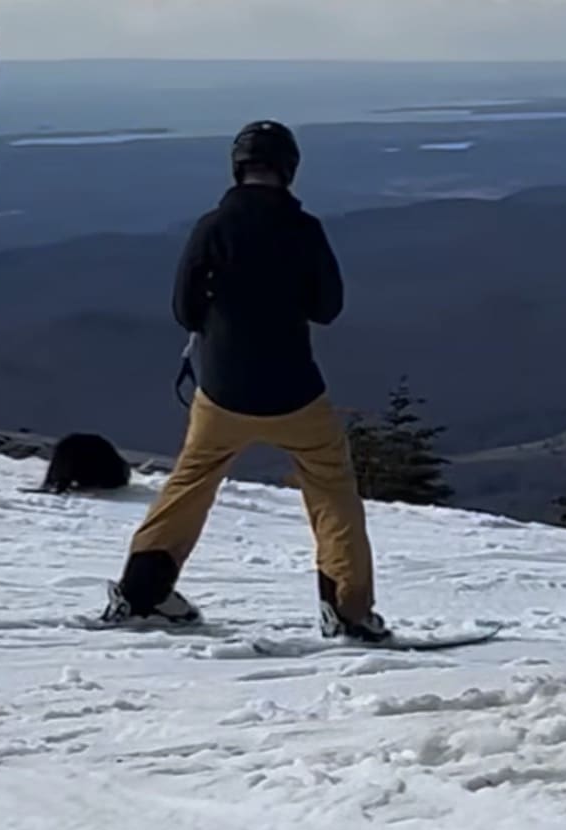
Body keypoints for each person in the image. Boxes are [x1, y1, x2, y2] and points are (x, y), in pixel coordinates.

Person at [101, 119, 390, 643]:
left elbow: (184, 310)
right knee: (331, 490)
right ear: (289, 170)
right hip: (296, 392)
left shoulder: (212, 227)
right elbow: (328, 308)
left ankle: (142, 593)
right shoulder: (305, 230)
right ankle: (348, 610)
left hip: (223, 392)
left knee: (190, 482)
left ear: (238, 168)